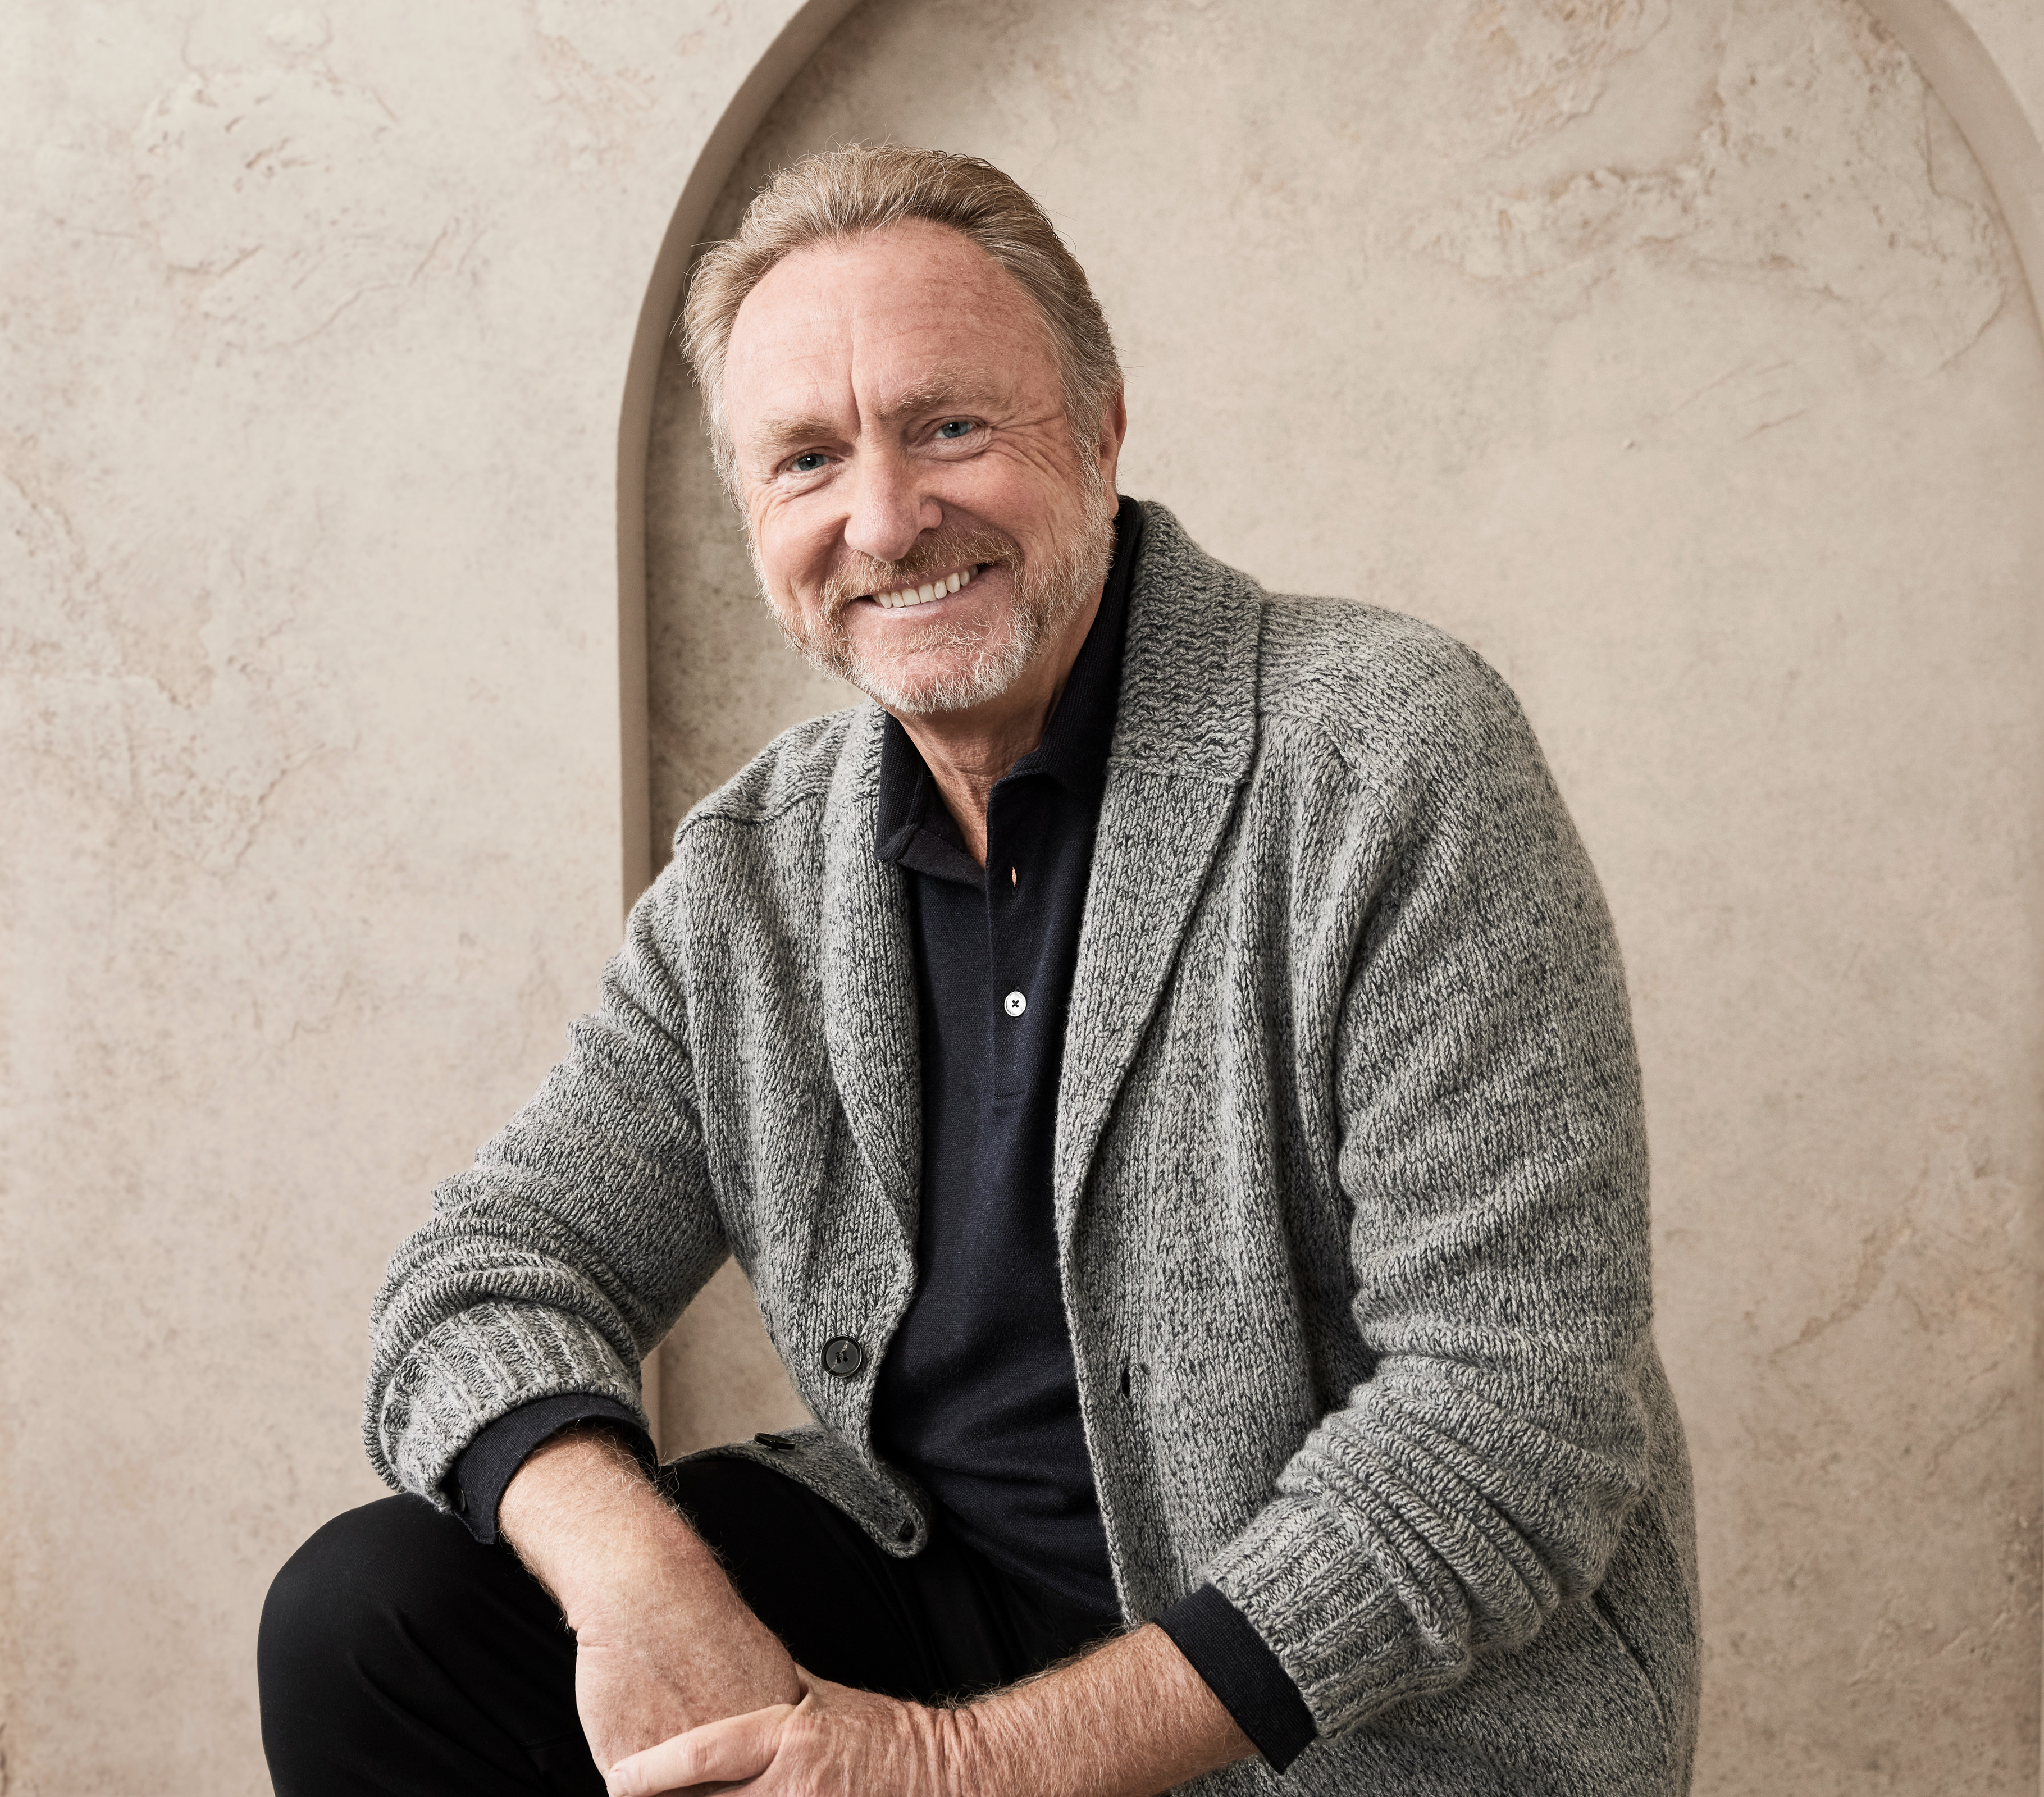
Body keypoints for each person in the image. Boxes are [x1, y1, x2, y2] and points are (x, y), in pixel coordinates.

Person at [258, 145, 1699, 1797]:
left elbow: (1514, 1424)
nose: (885, 519)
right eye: (807, 460)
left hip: (1338, 1715)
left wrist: (956, 1771)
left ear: (1096, 430)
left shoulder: (1387, 753)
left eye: (950, 427)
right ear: (756, 519)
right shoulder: (758, 870)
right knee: (370, 1618)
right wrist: (639, 1585)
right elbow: (484, 1271)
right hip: (946, 1594)